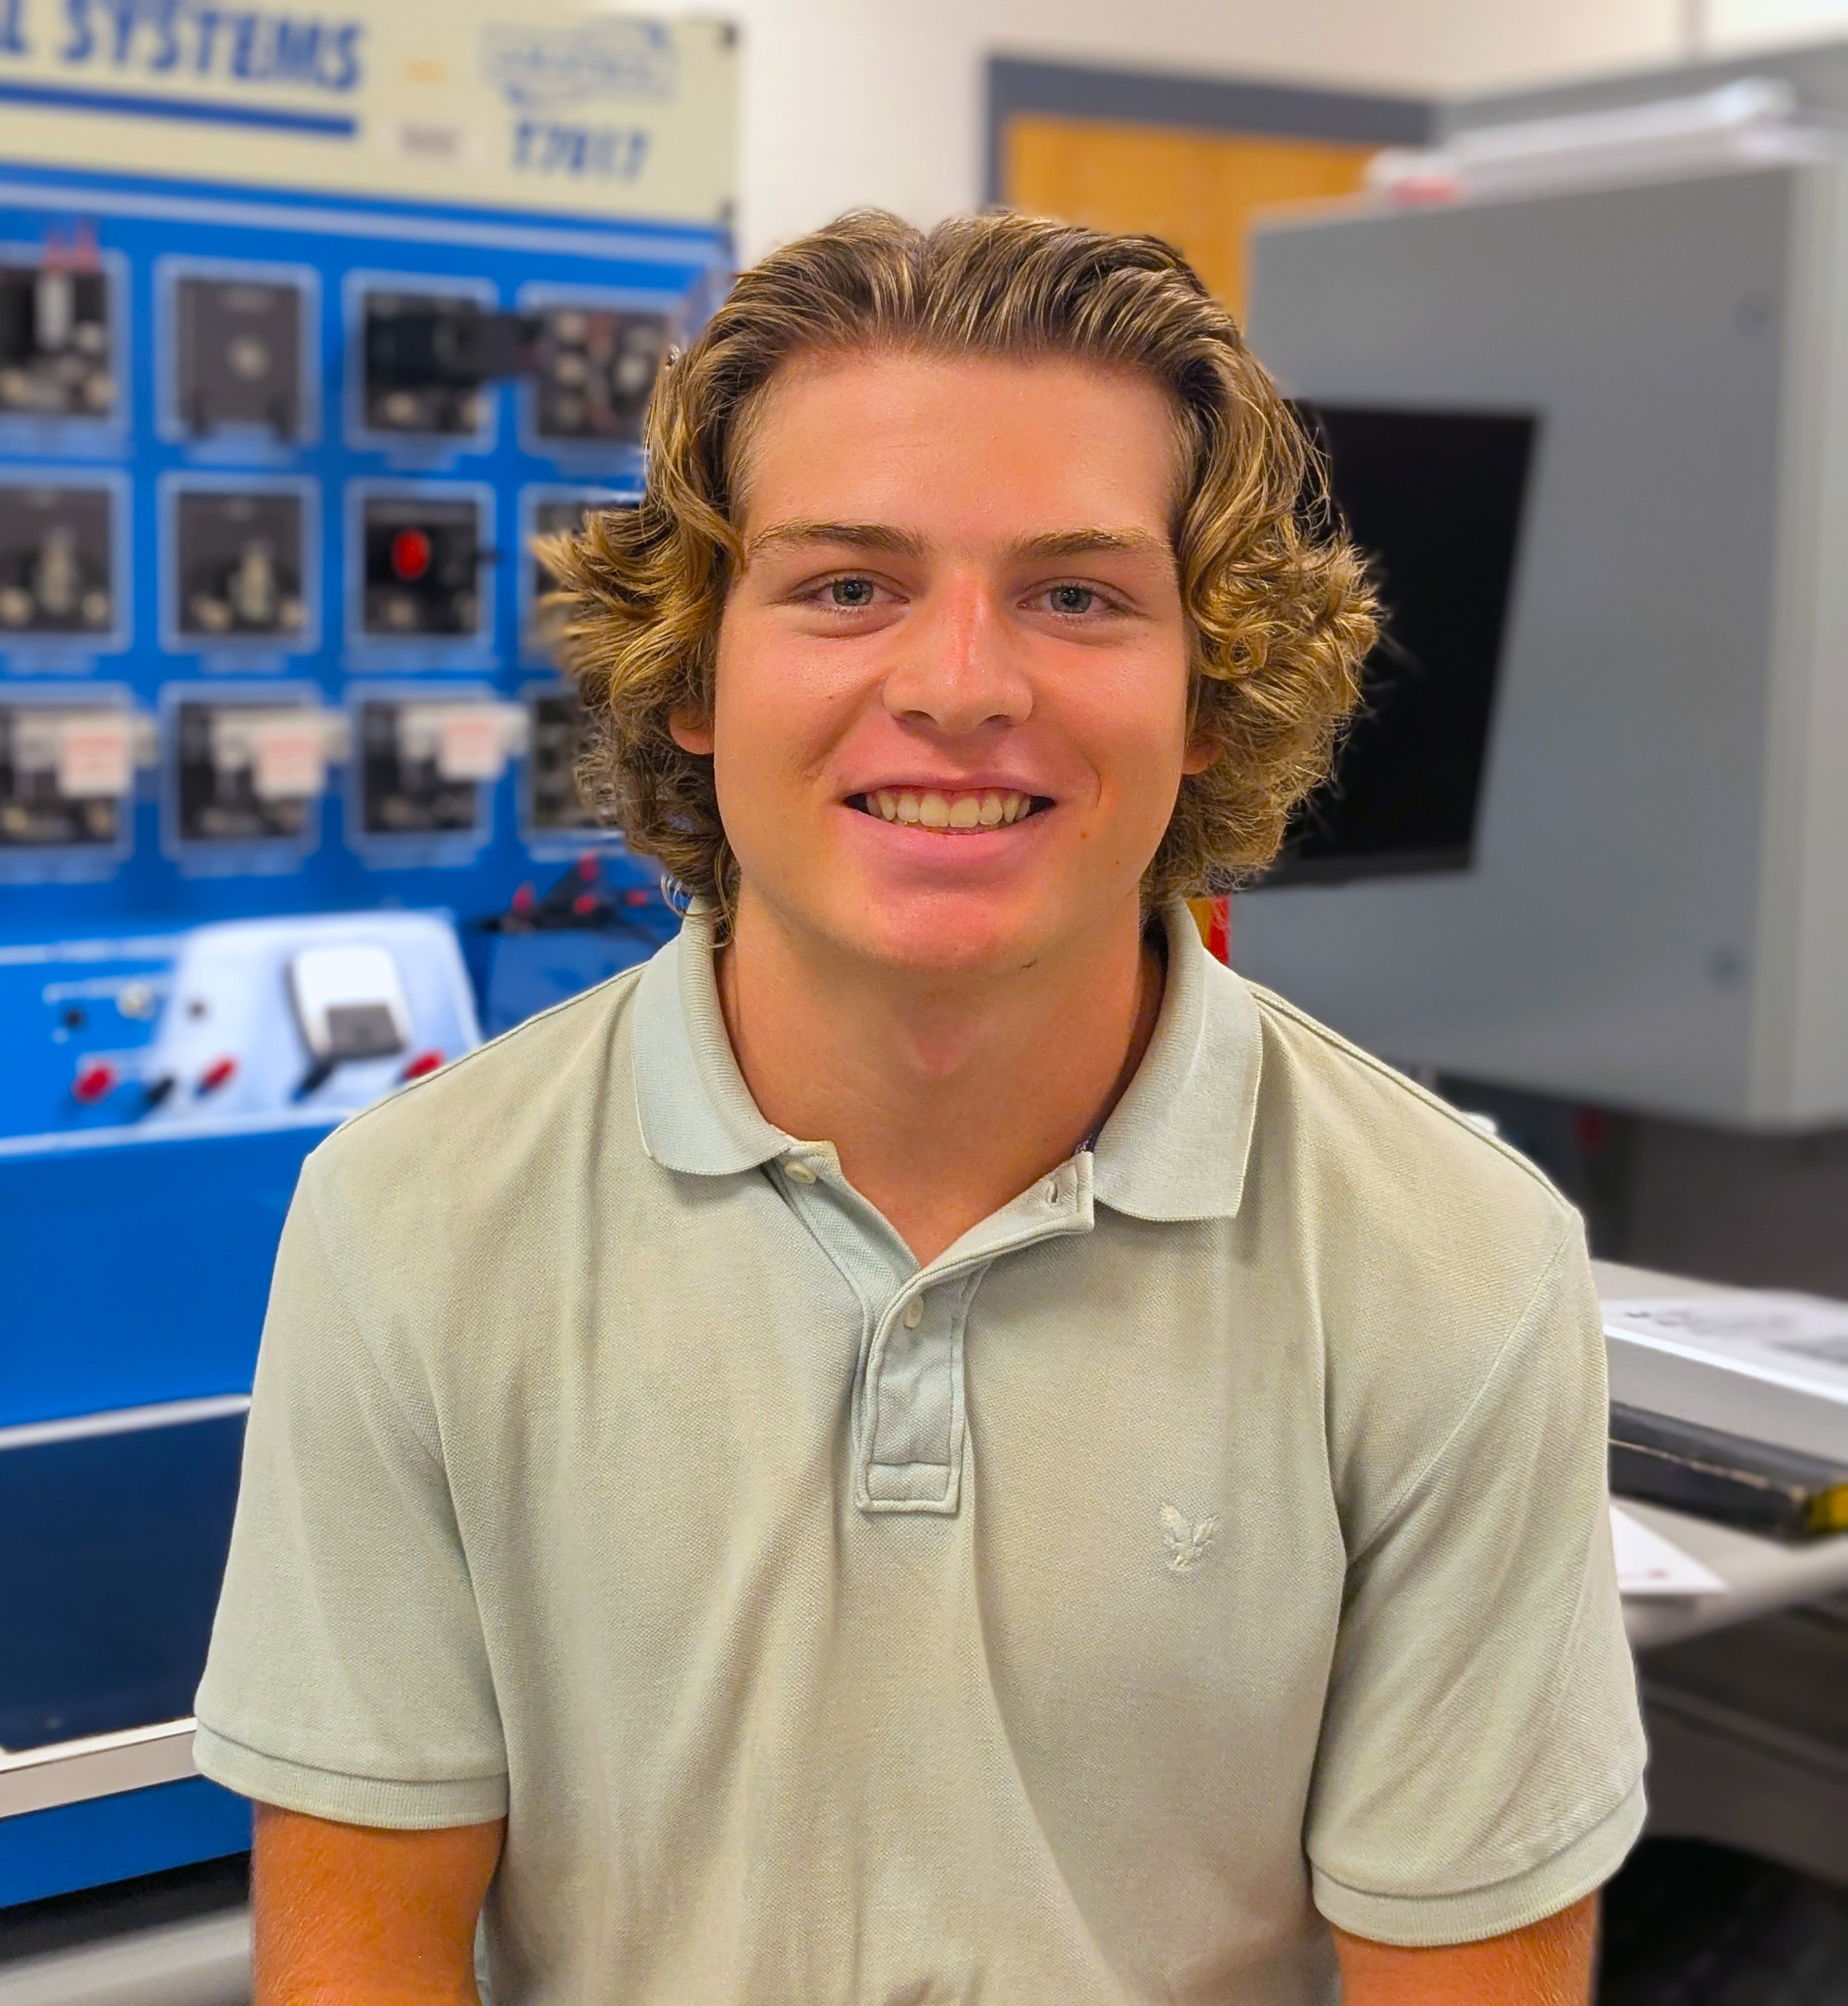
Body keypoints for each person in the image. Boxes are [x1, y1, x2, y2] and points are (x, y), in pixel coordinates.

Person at [193, 208, 1644, 2004]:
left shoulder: (1457, 1268)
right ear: (695, 671)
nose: (960, 686)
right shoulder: (408, 1223)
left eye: (1078, 594)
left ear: (1212, 687)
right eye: (847, 586)